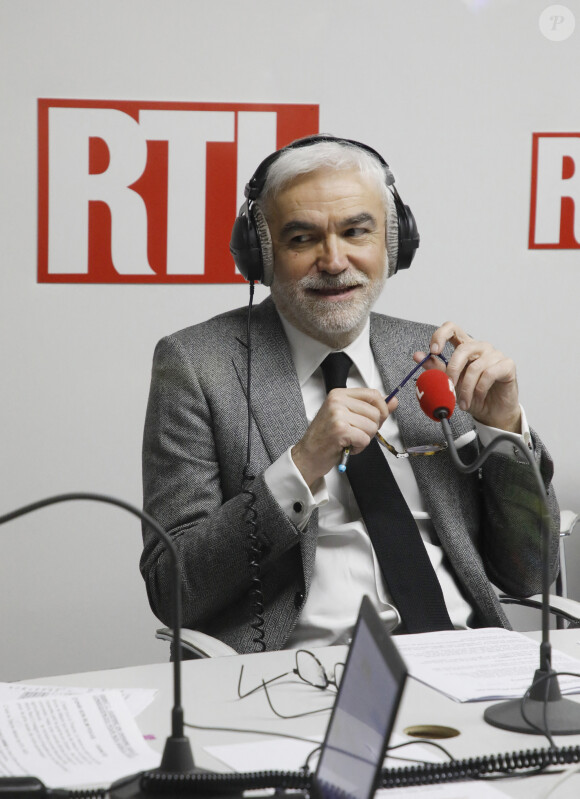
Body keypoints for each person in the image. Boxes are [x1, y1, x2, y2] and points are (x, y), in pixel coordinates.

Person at [140, 135, 560, 654]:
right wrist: (299, 467)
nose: (334, 260)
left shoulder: (432, 354)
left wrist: (504, 430)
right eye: (301, 239)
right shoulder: (199, 366)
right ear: (261, 254)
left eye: (356, 231)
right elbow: (172, 588)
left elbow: (532, 573)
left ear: (394, 242)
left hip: (464, 657)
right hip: (301, 676)